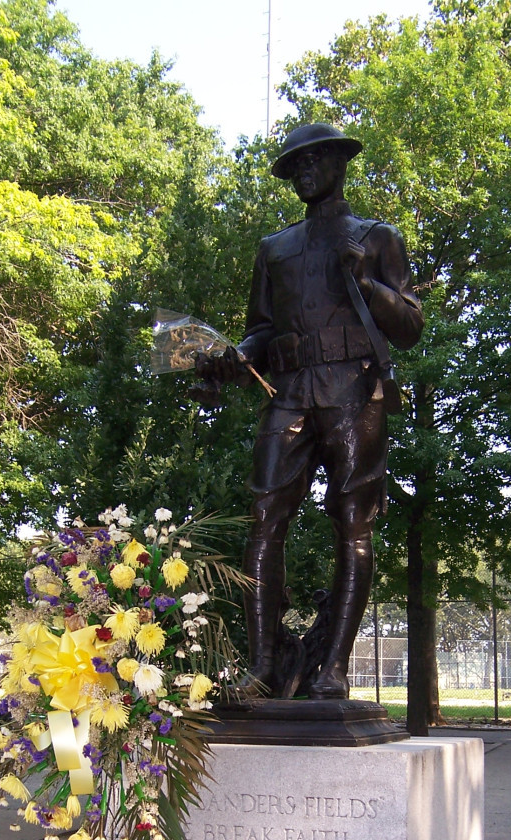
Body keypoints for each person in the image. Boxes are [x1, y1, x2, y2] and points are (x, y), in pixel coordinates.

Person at [203, 123, 424, 699]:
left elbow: (410, 327)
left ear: (339, 164)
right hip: (291, 390)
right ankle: (262, 664)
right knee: (264, 516)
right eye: (294, 164)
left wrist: (370, 286)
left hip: (356, 390)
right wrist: (235, 357)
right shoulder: (274, 248)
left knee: (353, 523)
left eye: (314, 159)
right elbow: (261, 329)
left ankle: (335, 669)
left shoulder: (377, 238)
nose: (303, 170)